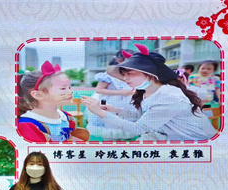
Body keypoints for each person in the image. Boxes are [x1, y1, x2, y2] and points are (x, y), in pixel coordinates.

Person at [81, 44, 217, 141]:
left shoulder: (169, 97)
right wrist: (114, 109)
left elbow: (138, 128)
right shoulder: (147, 92)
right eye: (123, 74)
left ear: (150, 73)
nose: (125, 78)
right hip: (169, 138)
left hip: (193, 142)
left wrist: (100, 113)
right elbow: (141, 115)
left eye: (130, 73)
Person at [18, 61, 88, 143]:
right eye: (63, 88)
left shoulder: (65, 116)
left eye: (69, 87)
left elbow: (71, 137)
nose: (70, 92)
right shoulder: (29, 125)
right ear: (38, 95)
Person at [85, 53, 137, 141]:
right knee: (110, 128)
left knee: (126, 126)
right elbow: (99, 90)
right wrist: (121, 92)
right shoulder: (108, 76)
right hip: (110, 102)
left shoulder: (130, 75)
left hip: (126, 103)